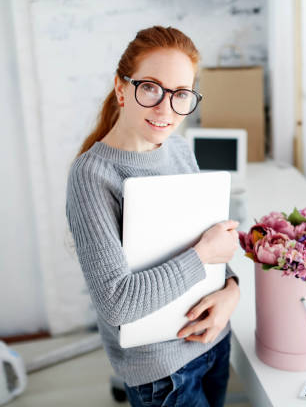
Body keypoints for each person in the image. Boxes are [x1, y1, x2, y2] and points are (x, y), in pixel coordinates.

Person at [65, 25, 241, 407]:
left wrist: (232, 290)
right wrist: (203, 256)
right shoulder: (92, 176)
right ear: (121, 88)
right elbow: (117, 303)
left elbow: (208, 244)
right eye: (150, 88)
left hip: (213, 341)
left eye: (181, 94)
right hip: (163, 373)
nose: (165, 109)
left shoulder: (179, 150)